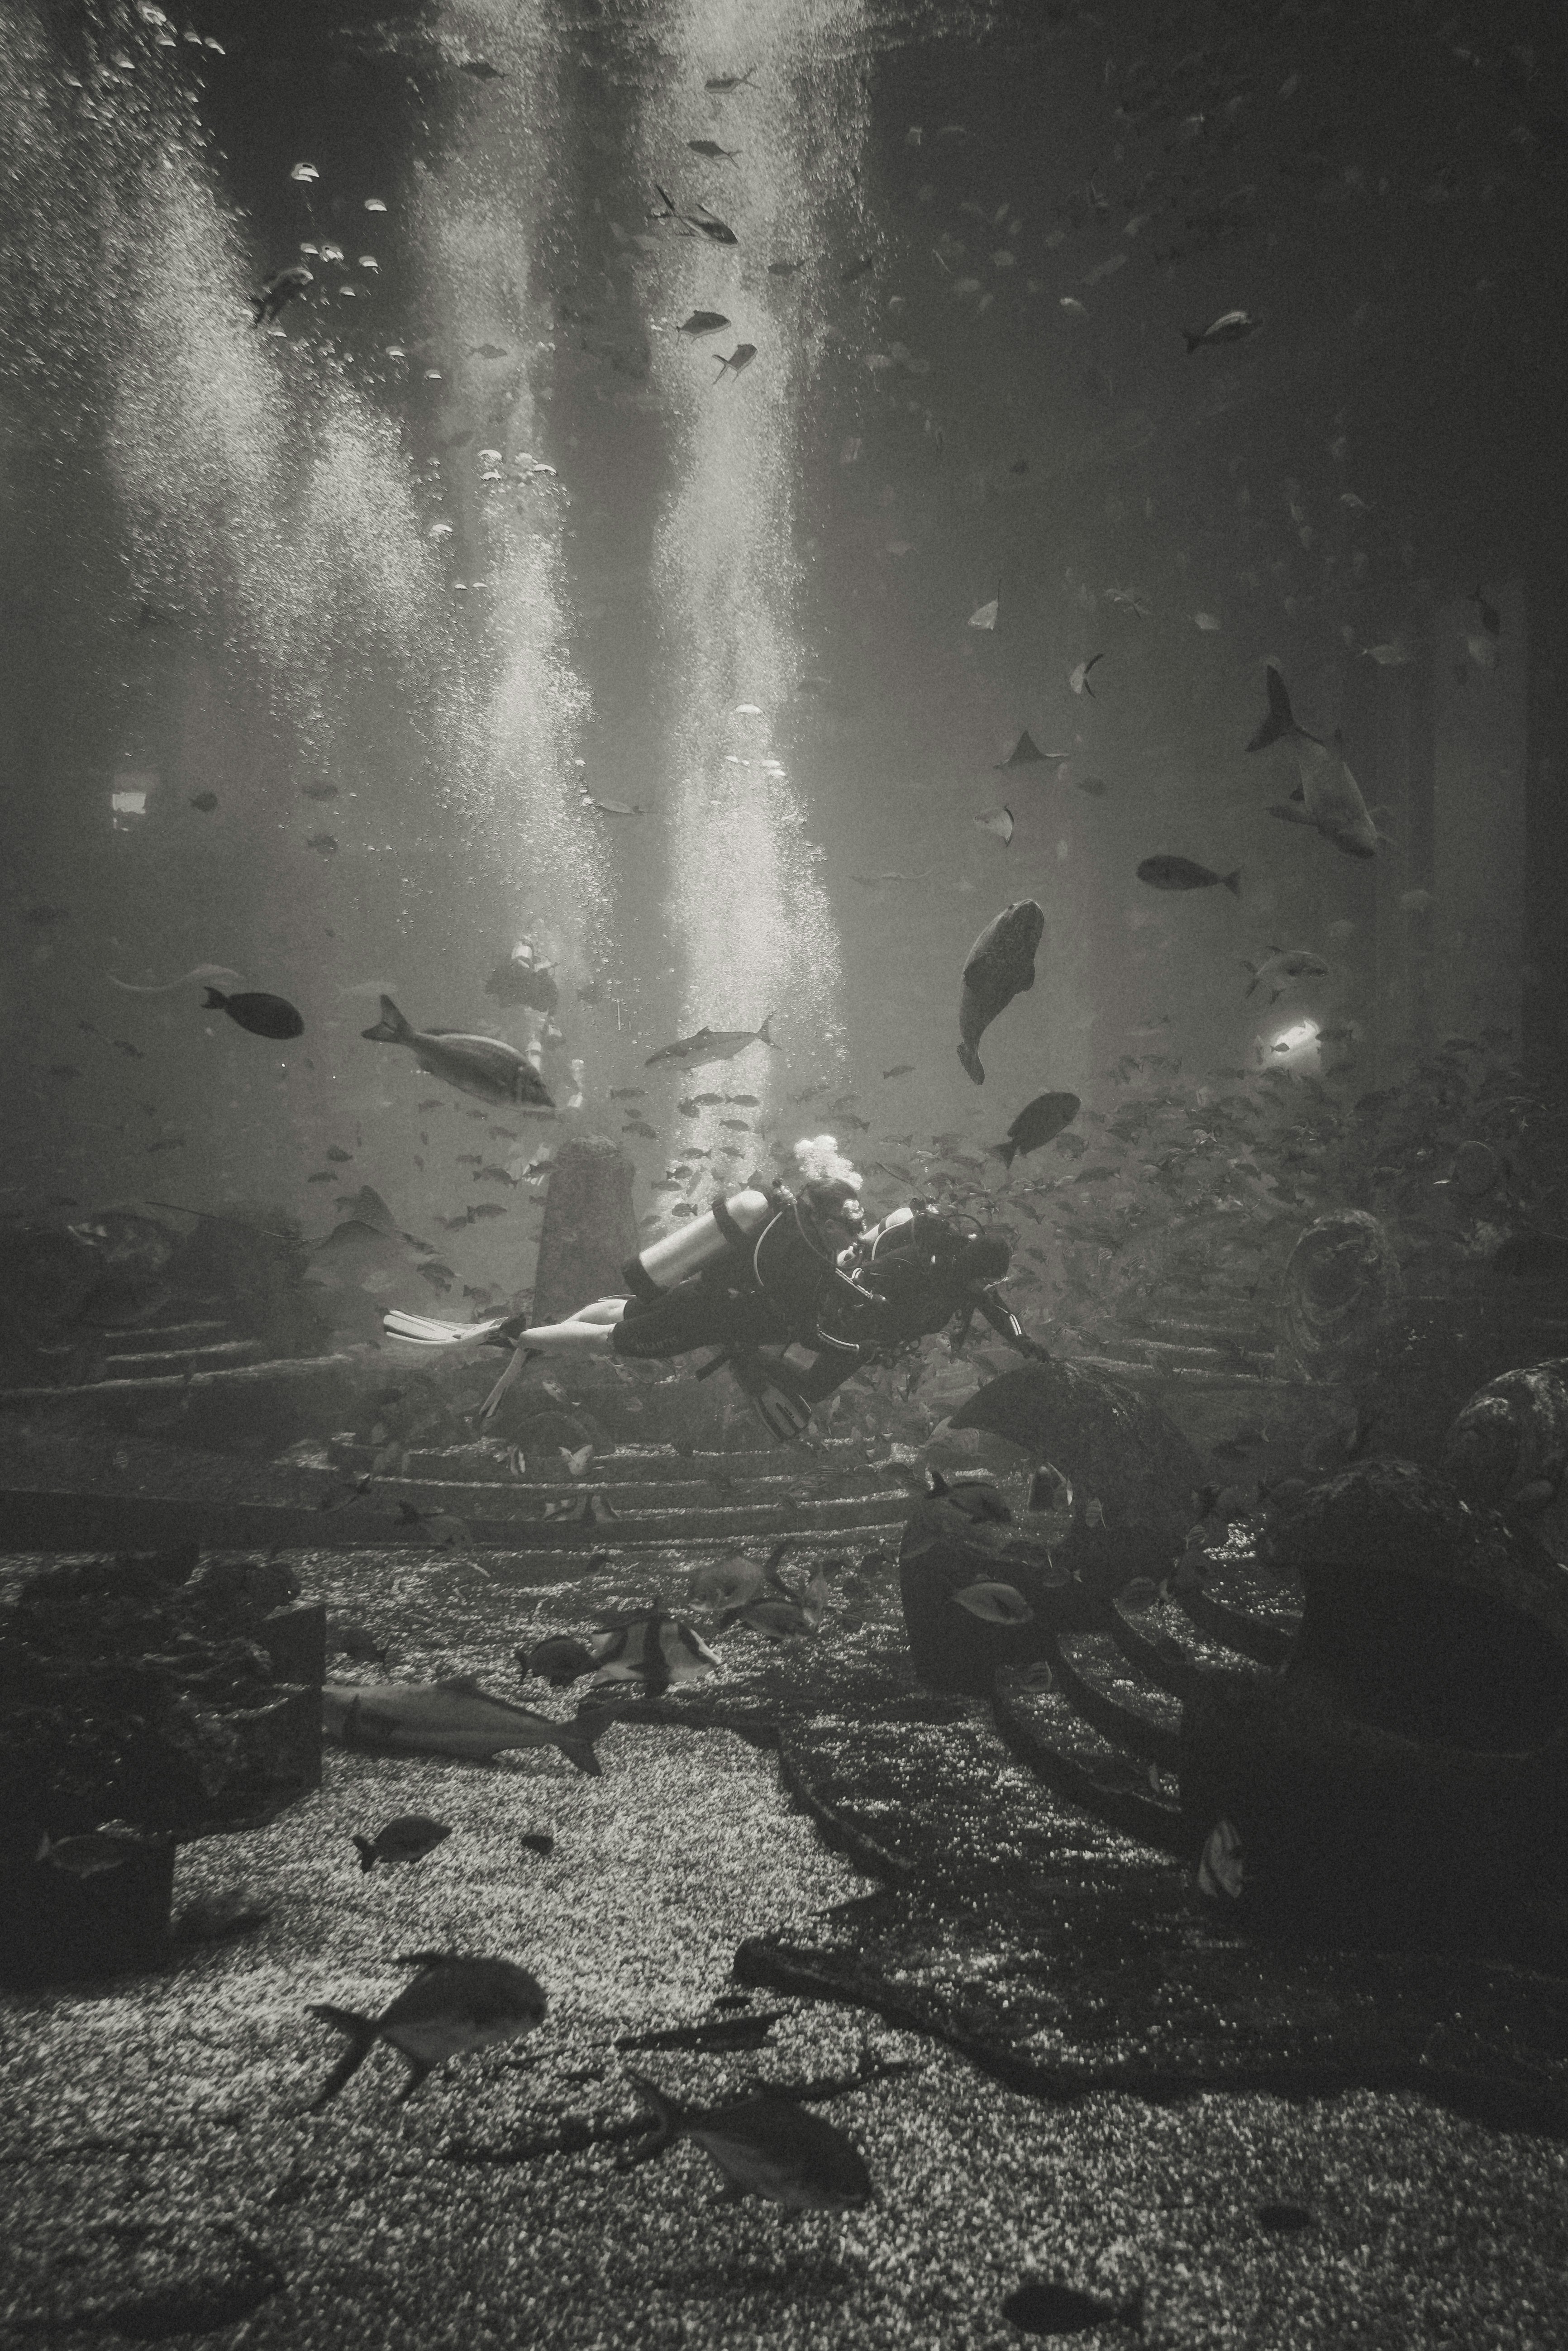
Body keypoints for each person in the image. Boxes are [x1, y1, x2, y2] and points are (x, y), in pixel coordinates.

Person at [389, 1149, 1045, 1440]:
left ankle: (530, 1333)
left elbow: (804, 1308)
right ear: (823, 1218)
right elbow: (811, 1326)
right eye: (848, 1220)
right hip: (706, 1312)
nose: (857, 1230)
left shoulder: (797, 1240)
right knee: (622, 1343)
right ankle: (514, 1336)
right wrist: (825, 1353)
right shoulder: (811, 1261)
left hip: (701, 1293)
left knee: (626, 1313)